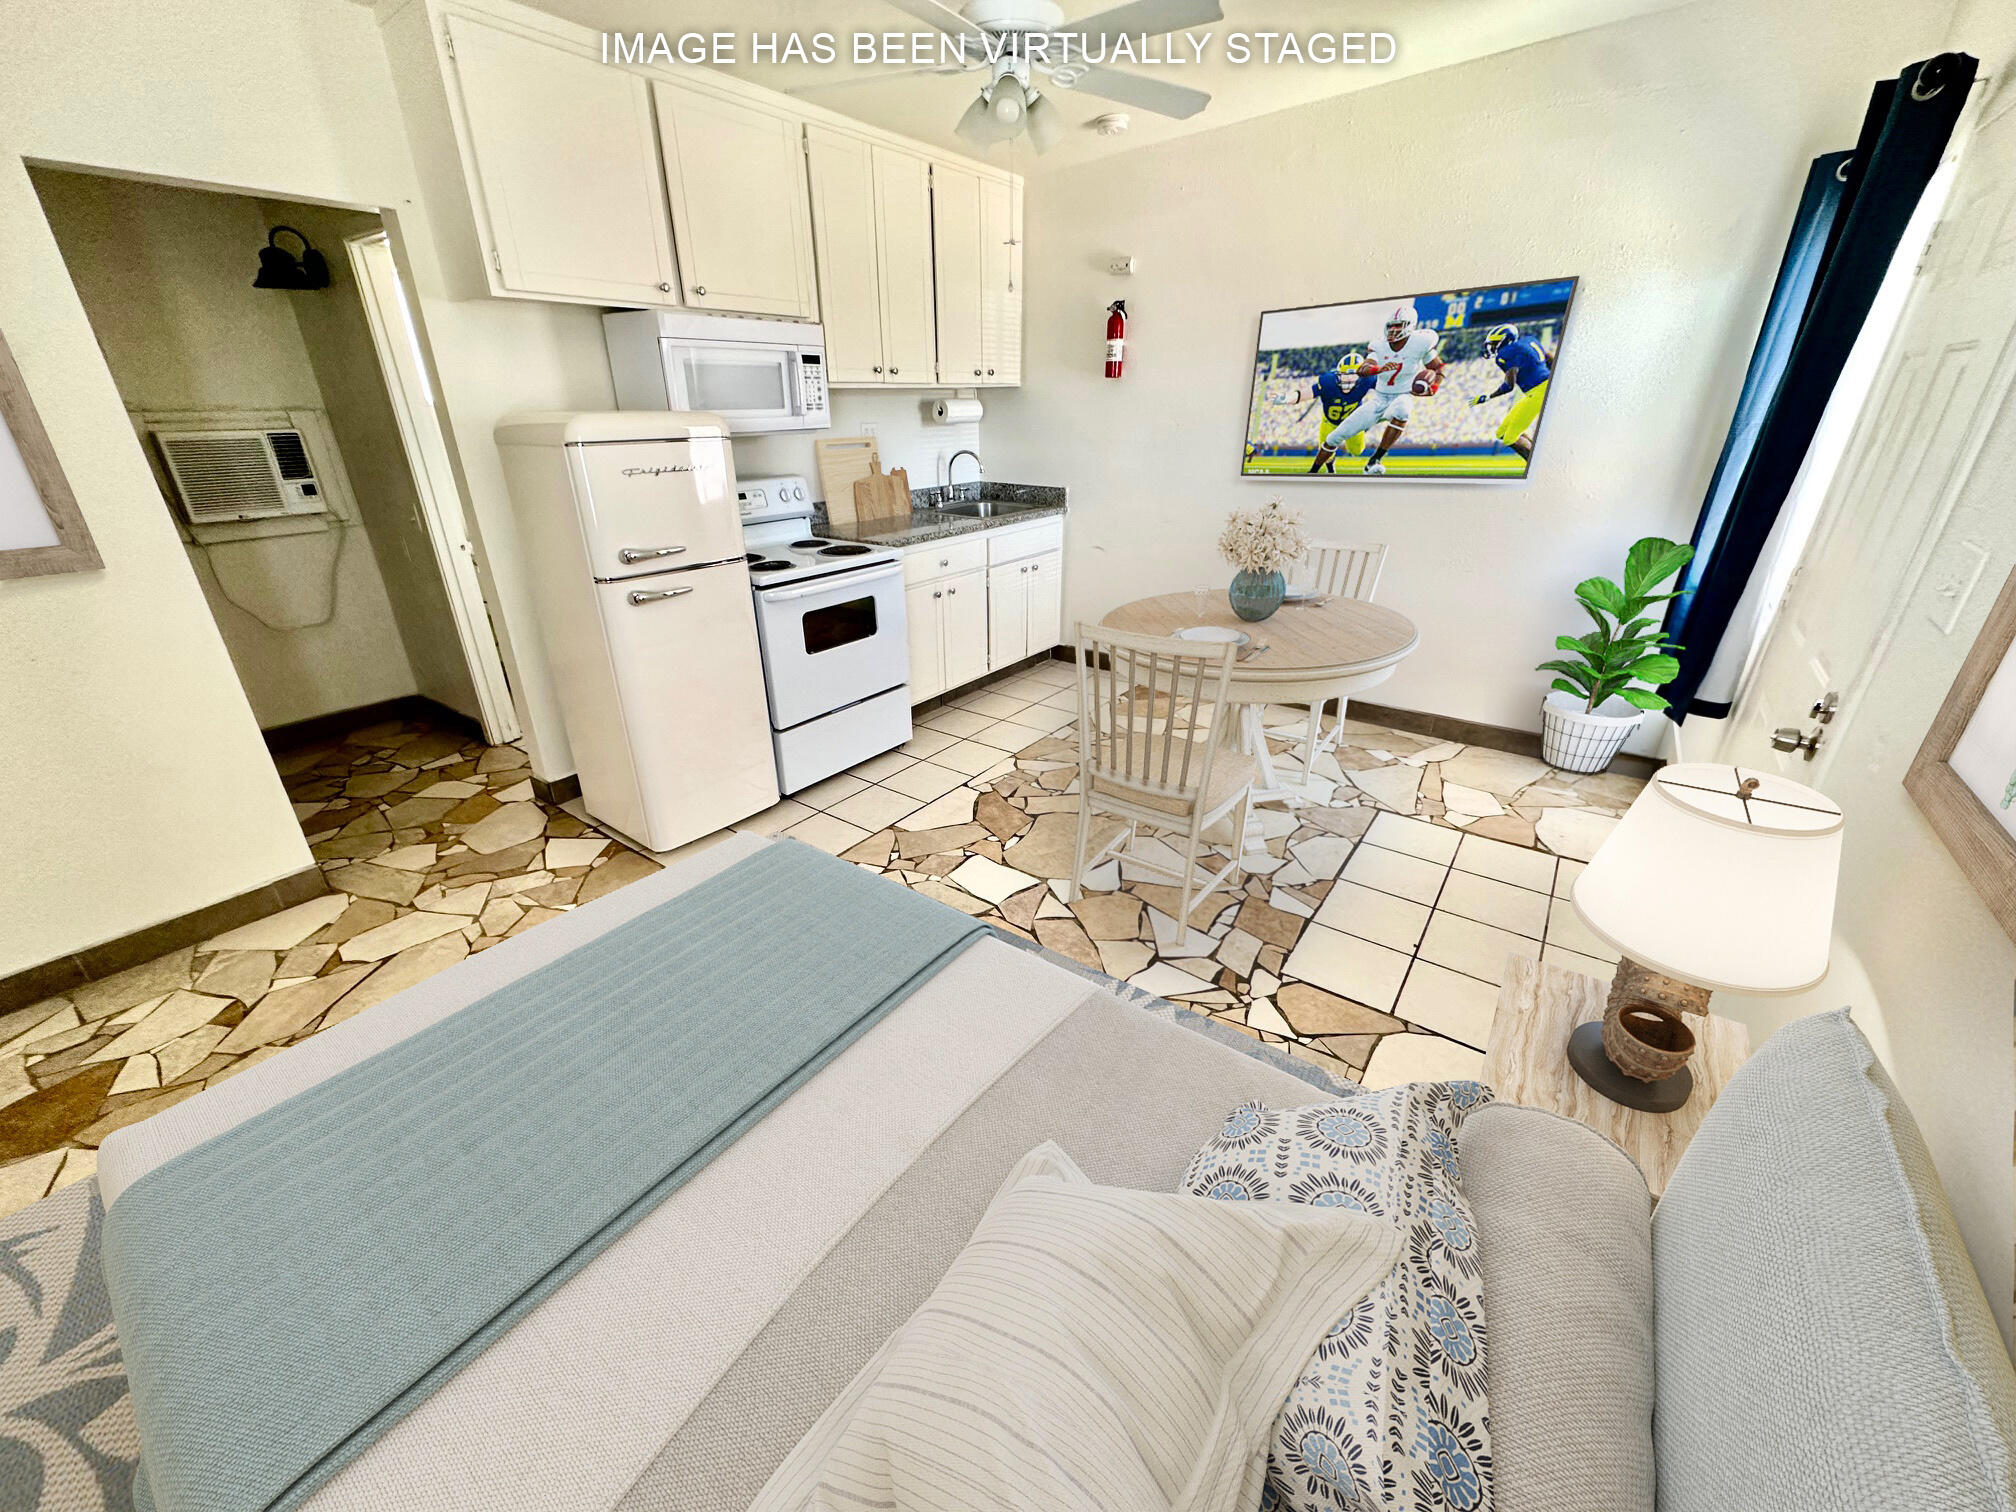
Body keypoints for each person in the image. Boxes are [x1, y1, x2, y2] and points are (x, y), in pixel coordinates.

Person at [1316, 304, 1444, 476]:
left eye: (1398, 325)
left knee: (1402, 410)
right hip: (1379, 398)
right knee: (1334, 437)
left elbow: (1438, 368)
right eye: (1391, 326)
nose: (1393, 330)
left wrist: (1434, 386)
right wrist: (1379, 369)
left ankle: (1374, 460)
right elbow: (1363, 369)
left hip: (1402, 394)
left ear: (1410, 326)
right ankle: (1312, 472)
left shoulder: (1421, 342)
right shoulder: (1378, 345)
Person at [1470, 323, 1553, 461]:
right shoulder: (1530, 341)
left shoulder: (1506, 353)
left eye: (1494, 343)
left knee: (1510, 438)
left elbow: (1509, 385)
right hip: (1538, 389)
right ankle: (1538, 453)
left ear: (1504, 340)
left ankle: (1539, 464)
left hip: (1538, 391)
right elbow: (1550, 359)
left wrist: (1489, 397)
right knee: (1501, 432)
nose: (1492, 348)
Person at [1296, 353, 1375, 472]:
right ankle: (1330, 468)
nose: (1348, 378)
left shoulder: (1367, 380)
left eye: (1353, 374)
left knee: (1357, 450)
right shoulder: (1328, 382)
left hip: (1353, 420)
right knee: (1325, 449)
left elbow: (1386, 387)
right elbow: (1310, 392)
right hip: (1330, 420)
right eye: (1345, 374)